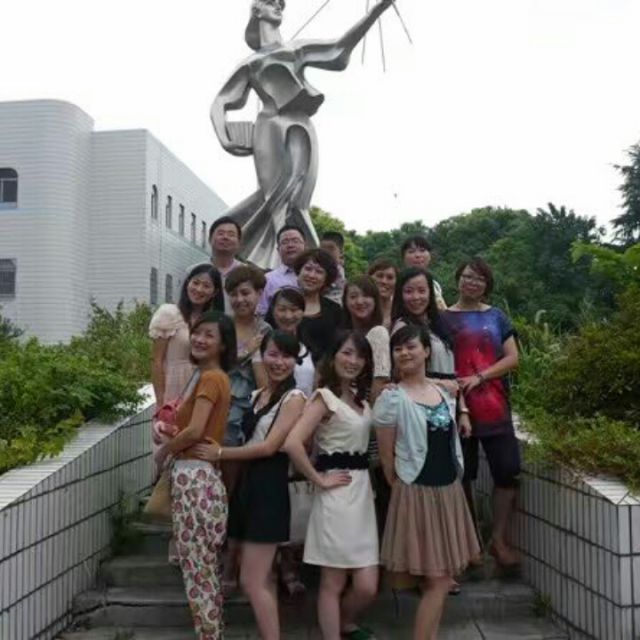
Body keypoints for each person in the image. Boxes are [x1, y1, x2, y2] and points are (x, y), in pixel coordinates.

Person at [210, 0, 396, 267]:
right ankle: (288, 266)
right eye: (271, 2)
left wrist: (375, 12)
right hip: (270, 127)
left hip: (302, 123)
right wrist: (225, 137)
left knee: (299, 198)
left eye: (280, 4)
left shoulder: (296, 49)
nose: (278, 7)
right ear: (257, 11)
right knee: (276, 197)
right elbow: (220, 102)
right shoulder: (251, 63)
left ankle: (304, 262)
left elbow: (338, 48)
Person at [191, 331, 306, 640]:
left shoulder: (294, 398)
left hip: (270, 488)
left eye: (286, 356)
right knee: (262, 579)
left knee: (252, 581)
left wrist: (220, 453)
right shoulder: (257, 395)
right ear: (262, 355)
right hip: (247, 486)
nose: (279, 362)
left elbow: (269, 447)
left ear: (296, 361)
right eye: (273, 354)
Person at [373, 324, 480, 640]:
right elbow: (387, 456)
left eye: (411, 347)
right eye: (398, 349)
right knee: (438, 581)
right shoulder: (392, 398)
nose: (404, 353)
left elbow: (457, 394)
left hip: (448, 491)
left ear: (427, 351)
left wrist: (459, 405)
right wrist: (400, 486)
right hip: (415, 492)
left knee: (440, 579)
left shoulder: (443, 392)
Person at [284, 332, 378, 640]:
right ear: (334, 356)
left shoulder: (361, 399)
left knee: (367, 586)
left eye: (360, 355)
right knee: (332, 581)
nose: (353, 361)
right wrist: (319, 478)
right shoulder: (324, 398)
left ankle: (344, 622)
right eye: (347, 353)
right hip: (336, 494)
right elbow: (293, 443)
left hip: (362, 494)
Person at [153, 310, 236, 640]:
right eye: (197, 333)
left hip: (194, 479)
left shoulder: (210, 378)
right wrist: (173, 433)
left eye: (209, 335)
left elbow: (196, 430)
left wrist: (165, 450)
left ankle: (210, 635)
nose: (200, 339)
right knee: (204, 568)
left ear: (223, 345)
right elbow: (196, 429)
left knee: (198, 570)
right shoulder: (213, 377)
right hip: (203, 478)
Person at [443, 257, 521, 567]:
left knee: (508, 471)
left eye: (479, 278)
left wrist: (481, 377)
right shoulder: (443, 318)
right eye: (467, 276)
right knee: (464, 475)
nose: (472, 282)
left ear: (487, 285)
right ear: (457, 279)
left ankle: (498, 539)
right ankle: (470, 541)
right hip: (457, 407)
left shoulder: (496, 316)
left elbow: (513, 358)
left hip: (494, 406)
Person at [222, 265, 271, 592]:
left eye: (246, 293)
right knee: (222, 488)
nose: (240, 299)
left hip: (252, 413)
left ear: (259, 294)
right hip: (220, 410)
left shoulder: (267, 329)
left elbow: (269, 378)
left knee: (240, 491)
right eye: (234, 294)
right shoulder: (221, 326)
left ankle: (234, 563)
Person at [149, 264, 222, 407]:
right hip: (173, 387)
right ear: (187, 283)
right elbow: (157, 361)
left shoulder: (213, 321)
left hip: (201, 388)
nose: (199, 289)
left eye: (206, 286)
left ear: (214, 292)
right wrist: (160, 401)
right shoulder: (169, 313)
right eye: (196, 282)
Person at [342, 276, 391, 402]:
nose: (359, 301)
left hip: (367, 405)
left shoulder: (378, 334)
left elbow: (380, 379)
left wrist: (370, 410)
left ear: (375, 300)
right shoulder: (341, 335)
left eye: (366, 296)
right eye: (353, 297)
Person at [295, 248, 342, 364]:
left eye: (319, 272)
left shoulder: (335, 310)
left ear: (326, 279)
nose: (312, 275)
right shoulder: (282, 301)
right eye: (308, 269)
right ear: (299, 271)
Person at [265, 287, 315, 396]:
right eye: (282, 309)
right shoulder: (265, 343)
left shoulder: (310, 342)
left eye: (294, 310)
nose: (288, 316)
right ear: (273, 310)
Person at [257, 225, 306, 316]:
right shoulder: (268, 279)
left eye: (295, 241)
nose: (290, 245)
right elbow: (261, 313)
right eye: (285, 242)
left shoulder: (314, 276)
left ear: (305, 246)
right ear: (278, 249)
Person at [400, 235, 446, 310]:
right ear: (403, 257)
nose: (417, 255)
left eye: (422, 250)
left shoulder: (435, 285)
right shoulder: (396, 282)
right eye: (411, 251)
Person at [209, 216, 244, 313]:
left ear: (239, 243)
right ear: (210, 239)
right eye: (220, 233)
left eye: (231, 234)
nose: (225, 237)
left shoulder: (247, 273)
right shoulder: (195, 271)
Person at [367, 258, 397, 330]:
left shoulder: (400, 311)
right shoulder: (360, 308)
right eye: (379, 276)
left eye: (390, 278)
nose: (384, 281)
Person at [320, 230, 347, 306]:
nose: (326, 252)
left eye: (331, 249)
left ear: (341, 252)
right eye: (323, 249)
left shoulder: (338, 271)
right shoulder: (316, 268)